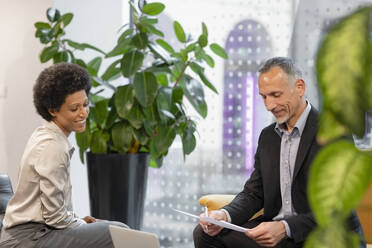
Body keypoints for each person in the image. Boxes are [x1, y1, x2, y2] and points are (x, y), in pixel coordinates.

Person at [193, 57, 365, 248]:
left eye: (276, 95)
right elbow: (254, 193)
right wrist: (224, 215)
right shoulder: (268, 137)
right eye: (264, 96)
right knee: (205, 235)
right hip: (278, 236)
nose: (269, 105)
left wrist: (285, 227)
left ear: (299, 87)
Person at [0, 63, 128, 248]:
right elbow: (55, 217)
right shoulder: (54, 146)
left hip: (35, 232)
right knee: (118, 232)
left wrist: (78, 220)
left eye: (85, 104)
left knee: (115, 231)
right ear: (53, 110)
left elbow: (54, 210)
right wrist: (81, 225)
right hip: (27, 239)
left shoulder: (45, 134)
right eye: (74, 108)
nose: (83, 113)